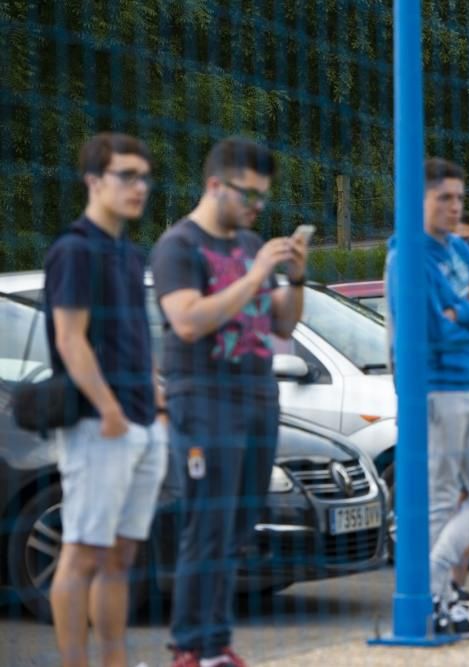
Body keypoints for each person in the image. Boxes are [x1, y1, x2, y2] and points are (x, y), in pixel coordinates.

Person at [151, 138, 307, 667]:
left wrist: (296, 278)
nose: (255, 207)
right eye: (248, 195)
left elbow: (282, 322)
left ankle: (216, 643)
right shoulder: (179, 246)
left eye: (263, 198)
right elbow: (189, 319)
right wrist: (258, 273)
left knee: (239, 524)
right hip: (205, 395)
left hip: (258, 392)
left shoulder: (248, 244)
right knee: (207, 523)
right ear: (215, 185)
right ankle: (190, 647)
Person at [45, 132, 168, 667]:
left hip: (143, 424)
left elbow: (132, 338)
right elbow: (70, 339)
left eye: (144, 176)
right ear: (94, 180)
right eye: (126, 175)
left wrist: (155, 396)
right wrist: (111, 408)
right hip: (99, 425)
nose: (139, 187)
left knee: (121, 556)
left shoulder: (127, 251)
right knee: (82, 554)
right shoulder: (73, 250)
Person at [384, 157, 469, 639]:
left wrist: (467, 311)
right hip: (436, 392)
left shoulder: (459, 249)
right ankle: (435, 596)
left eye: (459, 198)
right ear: (417, 201)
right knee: (437, 499)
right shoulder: (407, 257)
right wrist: (467, 310)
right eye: (444, 199)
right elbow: (433, 327)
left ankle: (434, 584)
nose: (456, 207)